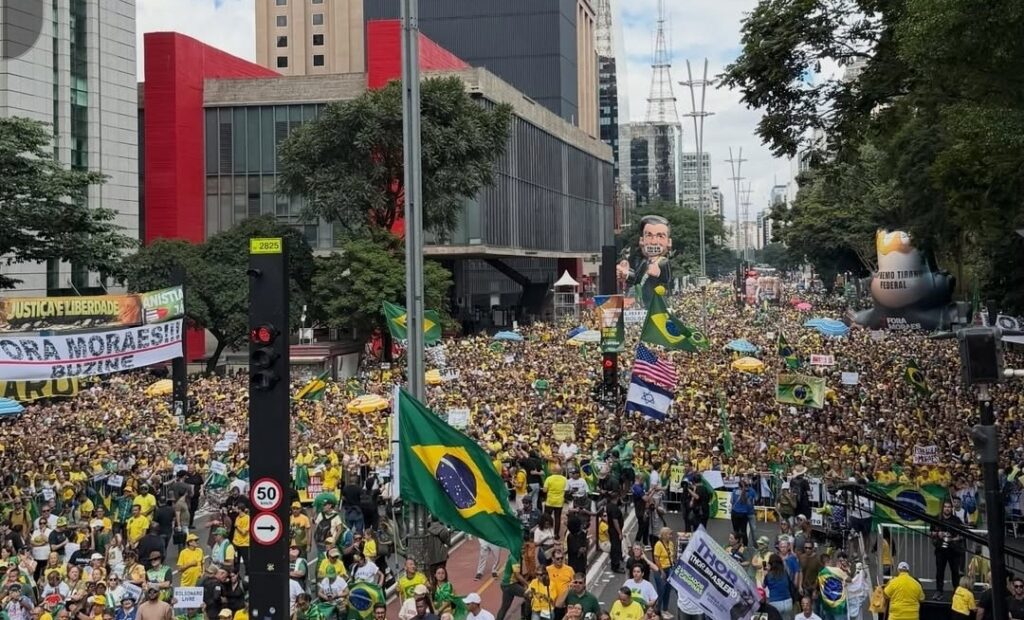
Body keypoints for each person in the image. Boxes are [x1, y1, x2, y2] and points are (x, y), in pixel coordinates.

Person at [930, 500, 964, 600]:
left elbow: (962, 536)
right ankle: (939, 591)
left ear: (951, 508)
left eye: (949, 507)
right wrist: (938, 534)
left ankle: (957, 592)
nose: (947, 508)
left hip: (953, 550)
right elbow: (931, 532)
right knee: (940, 572)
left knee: (955, 572)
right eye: (945, 507)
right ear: (942, 508)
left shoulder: (956, 520)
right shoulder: (937, 519)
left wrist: (952, 539)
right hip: (940, 550)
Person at [606, 501, 625, 575]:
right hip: (614, 531)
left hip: (612, 530)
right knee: (615, 548)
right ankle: (615, 566)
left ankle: (616, 563)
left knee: (615, 547)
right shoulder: (614, 508)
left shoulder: (609, 505)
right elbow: (615, 521)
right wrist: (620, 533)